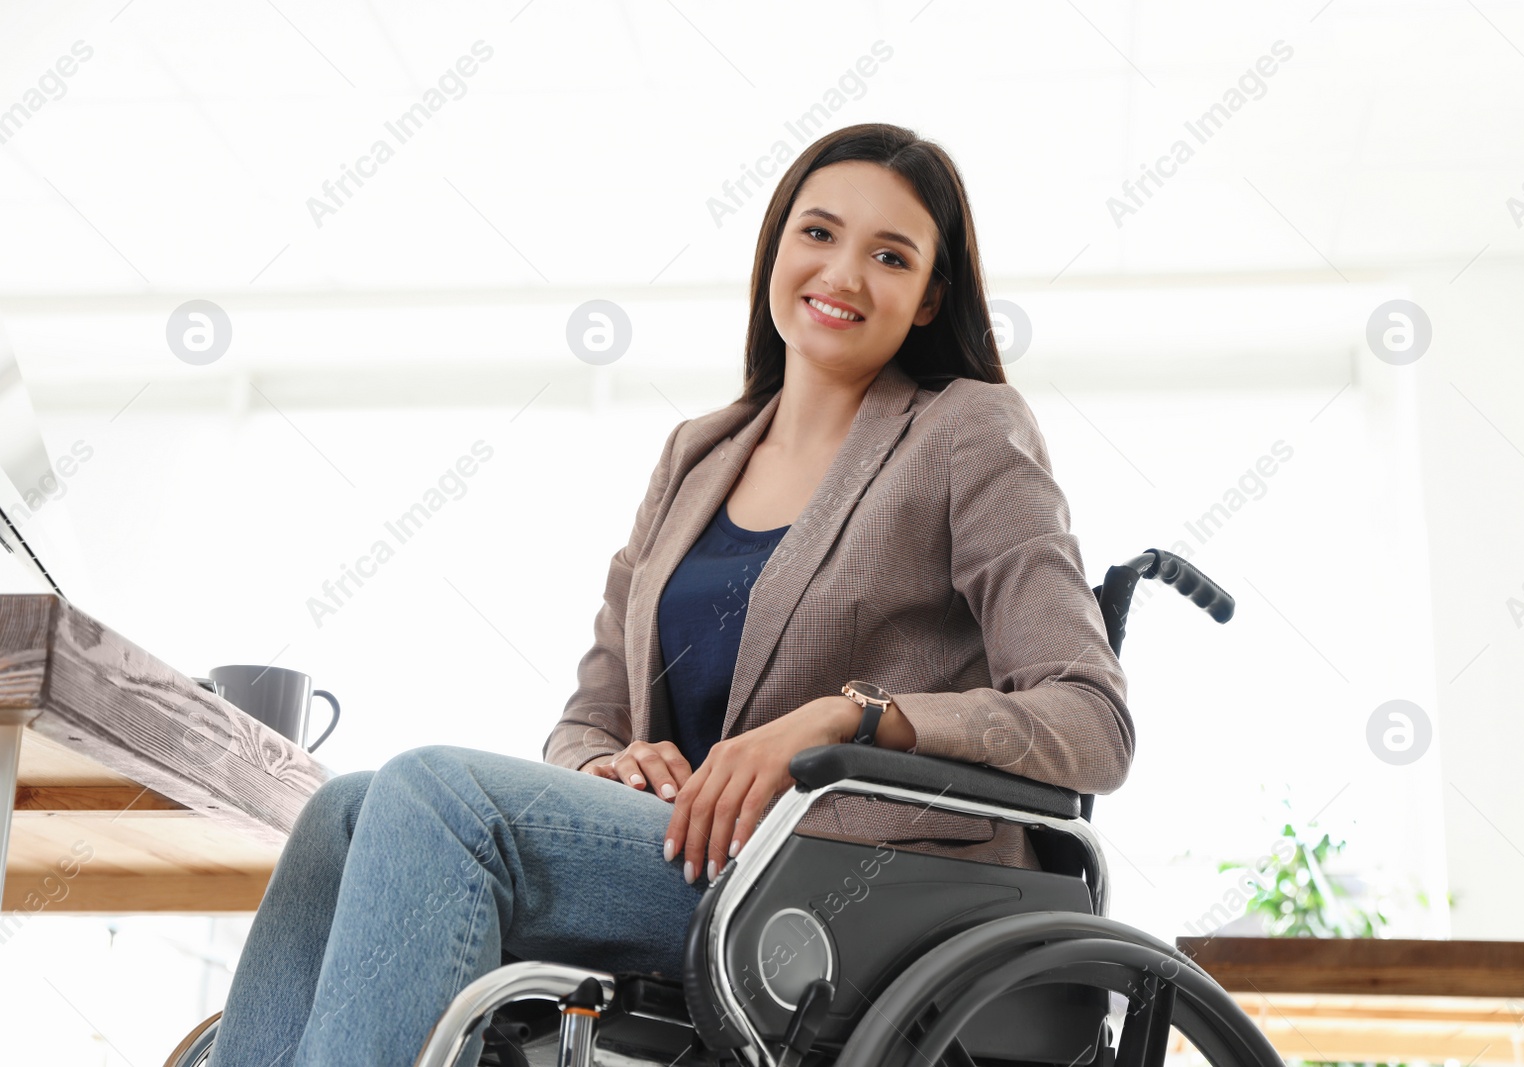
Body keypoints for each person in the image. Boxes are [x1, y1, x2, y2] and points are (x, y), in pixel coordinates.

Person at [208, 122, 1132, 1067]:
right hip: (687, 857)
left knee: (433, 795)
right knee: (344, 812)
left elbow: (1091, 719)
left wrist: (843, 721)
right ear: (775, 248)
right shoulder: (697, 456)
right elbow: (586, 718)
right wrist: (610, 766)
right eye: (818, 233)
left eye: (889, 255)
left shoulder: (966, 432)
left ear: (930, 297)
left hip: (854, 881)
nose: (844, 274)